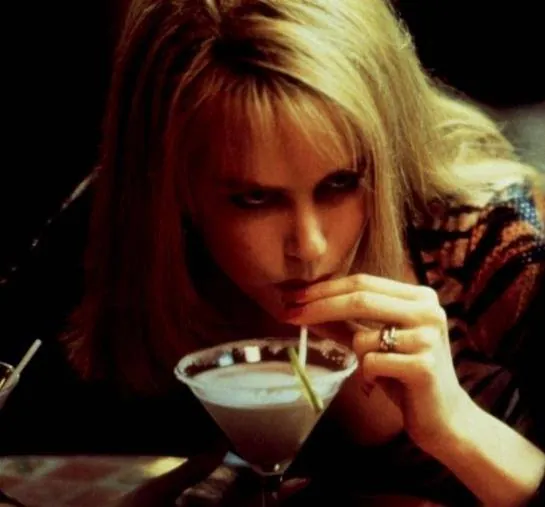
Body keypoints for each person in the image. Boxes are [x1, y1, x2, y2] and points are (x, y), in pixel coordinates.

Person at [0, 0, 544, 505]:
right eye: (255, 198)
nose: (309, 246)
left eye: (340, 184)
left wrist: (456, 426)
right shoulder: (133, 236)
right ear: (176, 188)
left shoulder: (494, 240)